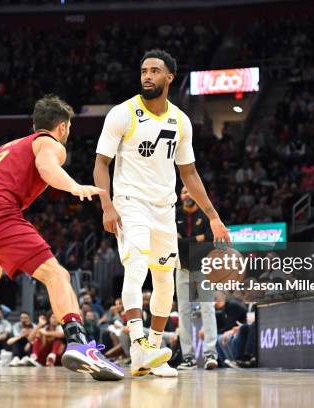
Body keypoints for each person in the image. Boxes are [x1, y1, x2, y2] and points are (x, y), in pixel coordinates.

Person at [0, 95, 123, 381]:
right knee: (56, 274)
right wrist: (73, 186)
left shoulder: (9, 145)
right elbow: (47, 168)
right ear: (62, 127)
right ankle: (78, 342)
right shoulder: (51, 143)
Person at [94, 49, 231, 377]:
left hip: (164, 208)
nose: (147, 76)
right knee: (136, 265)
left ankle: (151, 353)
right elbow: (101, 163)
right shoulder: (123, 113)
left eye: (155, 71)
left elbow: (190, 173)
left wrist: (212, 215)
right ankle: (139, 344)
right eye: (143, 70)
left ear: (170, 77)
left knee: (164, 282)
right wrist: (107, 204)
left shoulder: (181, 121)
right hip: (130, 202)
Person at [175, 186, 218, 370]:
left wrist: (186, 240)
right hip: (182, 268)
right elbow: (174, 241)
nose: (187, 194)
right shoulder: (173, 214)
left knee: (208, 309)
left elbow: (210, 239)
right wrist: (197, 239)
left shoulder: (206, 213)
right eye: (184, 192)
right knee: (183, 312)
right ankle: (188, 358)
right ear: (180, 196)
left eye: (190, 191)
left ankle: (210, 355)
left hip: (204, 268)